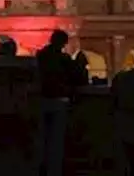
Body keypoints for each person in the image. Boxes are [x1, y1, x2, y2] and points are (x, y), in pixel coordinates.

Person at [35, 29, 88, 176]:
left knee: (41, 139)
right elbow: (79, 78)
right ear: (63, 43)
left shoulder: (41, 56)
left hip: (41, 100)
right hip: (59, 101)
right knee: (56, 142)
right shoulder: (63, 59)